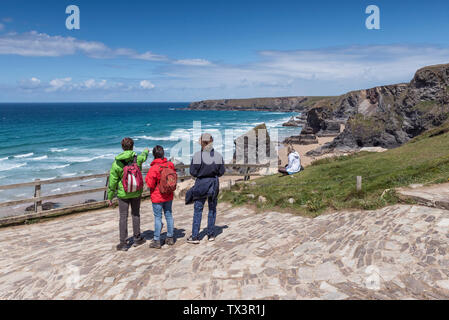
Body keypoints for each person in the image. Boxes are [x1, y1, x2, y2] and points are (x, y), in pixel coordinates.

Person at [107, 137, 149, 251]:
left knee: (123, 217)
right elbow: (144, 156)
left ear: (122, 147)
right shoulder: (137, 159)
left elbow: (112, 182)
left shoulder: (116, 163)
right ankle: (137, 238)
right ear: (132, 146)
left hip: (123, 194)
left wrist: (110, 197)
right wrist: (146, 151)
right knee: (135, 214)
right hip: (136, 192)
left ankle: (123, 243)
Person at [186, 133, 225, 244]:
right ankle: (211, 234)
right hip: (213, 183)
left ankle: (195, 236)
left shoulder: (198, 156)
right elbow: (221, 172)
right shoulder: (217, 156)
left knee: (198, 210)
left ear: (202, 143)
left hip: (201, 184)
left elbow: (192, 172)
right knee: (212, 209)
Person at [145, 145, 176, 249]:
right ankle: (170, 237)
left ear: (154, 155)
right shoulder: (170, 165)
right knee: (169, 215)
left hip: (157, 196)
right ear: (163, 154)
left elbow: (150, 184)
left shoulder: (154, 168)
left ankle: (157, 240)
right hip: (168, 194)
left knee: (158, 217)